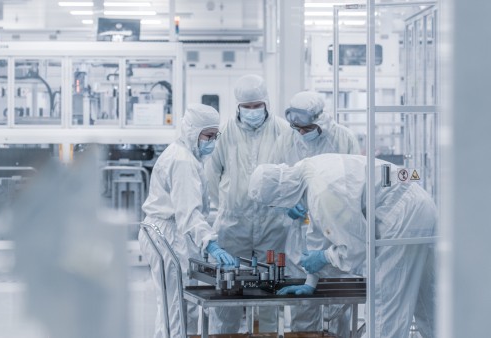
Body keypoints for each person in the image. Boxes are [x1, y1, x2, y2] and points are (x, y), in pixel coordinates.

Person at [248, 154, 436, 338]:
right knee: (429, 304)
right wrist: (310, 282)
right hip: (419, 206)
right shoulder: (308, 173)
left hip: (400, 217)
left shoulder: (323, 191)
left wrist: (324, 257)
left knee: (384, 309)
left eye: (273, 206)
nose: (278, 210)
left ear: (280, 195)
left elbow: (357, 248)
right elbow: (320, 232)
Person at [206, 74, 292, 333]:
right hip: (233, 226)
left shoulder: (284, 131)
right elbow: (212, 175)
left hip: (274, 227)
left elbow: (293, 173)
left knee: (270, 290)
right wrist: (223, 208)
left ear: (266, 104)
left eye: (257, 106)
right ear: (238, 106)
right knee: (227, 294)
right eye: (247, 106)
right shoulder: (224, 133)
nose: (252, 111)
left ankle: (267, 334)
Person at [139, 103, 235, 338]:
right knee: (177, 306)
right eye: (208, 136)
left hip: (166, 232)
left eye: (215, 135)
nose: (212, 141)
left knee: (177, 304)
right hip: (168, 234)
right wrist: (210, 243)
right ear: (193, 132)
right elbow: (188, 214)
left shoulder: (184, 154)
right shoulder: (183, 161)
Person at [270, 90, 360, 335]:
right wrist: (286, 205)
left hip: (337, 230)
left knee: (340, 306)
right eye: (296, 129)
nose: (301, 134)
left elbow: (356, 186)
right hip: (300, 231)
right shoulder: (285, 142)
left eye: (306, 129)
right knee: (303, 305)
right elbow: (275, 183)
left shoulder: (344, 138)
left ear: (320, 120)